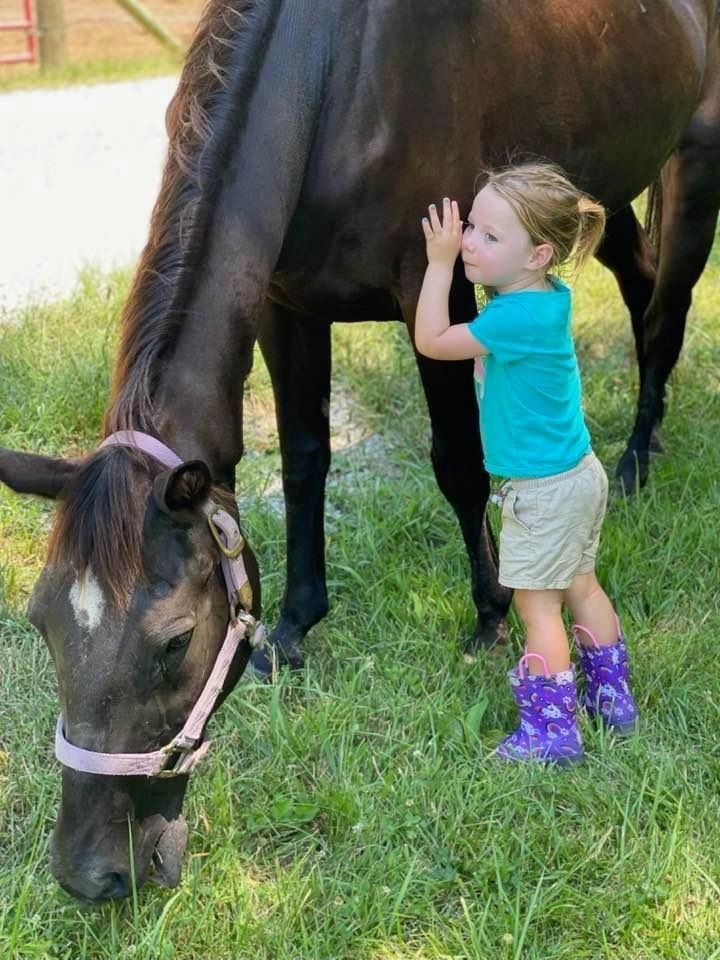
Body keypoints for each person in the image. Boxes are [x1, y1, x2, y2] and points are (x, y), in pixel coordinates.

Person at [415, 162, 638, 765]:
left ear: (538, 254)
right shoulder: (545, 299)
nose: (467, 242)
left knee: (536, 606)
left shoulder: (510, 319)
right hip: (578, 476)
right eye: (471, 228)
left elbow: (433, 342)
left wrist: (437, 264)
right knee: (581, 585)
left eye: (490, 237)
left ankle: (551, 732)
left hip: (541, 492)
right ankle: (611, 699)